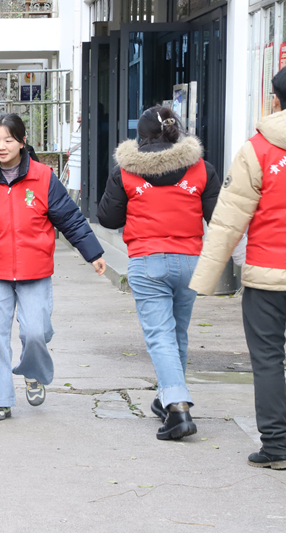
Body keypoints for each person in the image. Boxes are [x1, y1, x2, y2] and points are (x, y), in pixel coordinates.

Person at [0, 113, 106, 421]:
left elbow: (70, 219)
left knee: (35, 332)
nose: (2, 146)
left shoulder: (43, 177)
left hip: (35, 270)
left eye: (9, 140)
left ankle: (32, 372)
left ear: (22, 142)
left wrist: (93, 253)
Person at [97, 106, 220, 441]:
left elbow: (107, 219)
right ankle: (167, 398)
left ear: (143, 135)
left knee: (160, 337)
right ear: (175, 131)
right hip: (190, 262)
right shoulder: (202, 169)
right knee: (177, 334)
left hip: (148, 260)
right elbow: (217, 216)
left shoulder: (126, 170)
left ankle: (178, 408)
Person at [190, 67, 286, 468]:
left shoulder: (259, 149)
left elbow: (228, 221)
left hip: (268, 273)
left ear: (275, 100)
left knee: (267, 358)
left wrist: (205, 280)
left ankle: (278, 447)